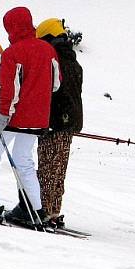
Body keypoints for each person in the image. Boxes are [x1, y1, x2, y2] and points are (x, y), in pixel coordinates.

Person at [0, 6, 61, 224]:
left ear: (11, 27)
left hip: (14, 117)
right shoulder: (47, 50)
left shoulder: (12, 53)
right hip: (39, 118)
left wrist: (4, 116)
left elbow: (9, 89)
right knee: (24, 160)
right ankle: (35, 210)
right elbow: (56, 84)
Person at [33, 18, 83, 229]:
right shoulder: (73, 60)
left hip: (54, 121)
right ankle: (53, 210)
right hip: (71, 122)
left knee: (47, 168)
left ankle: (43, 210)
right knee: (58, 169)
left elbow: (49, 91)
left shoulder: (54, 60)